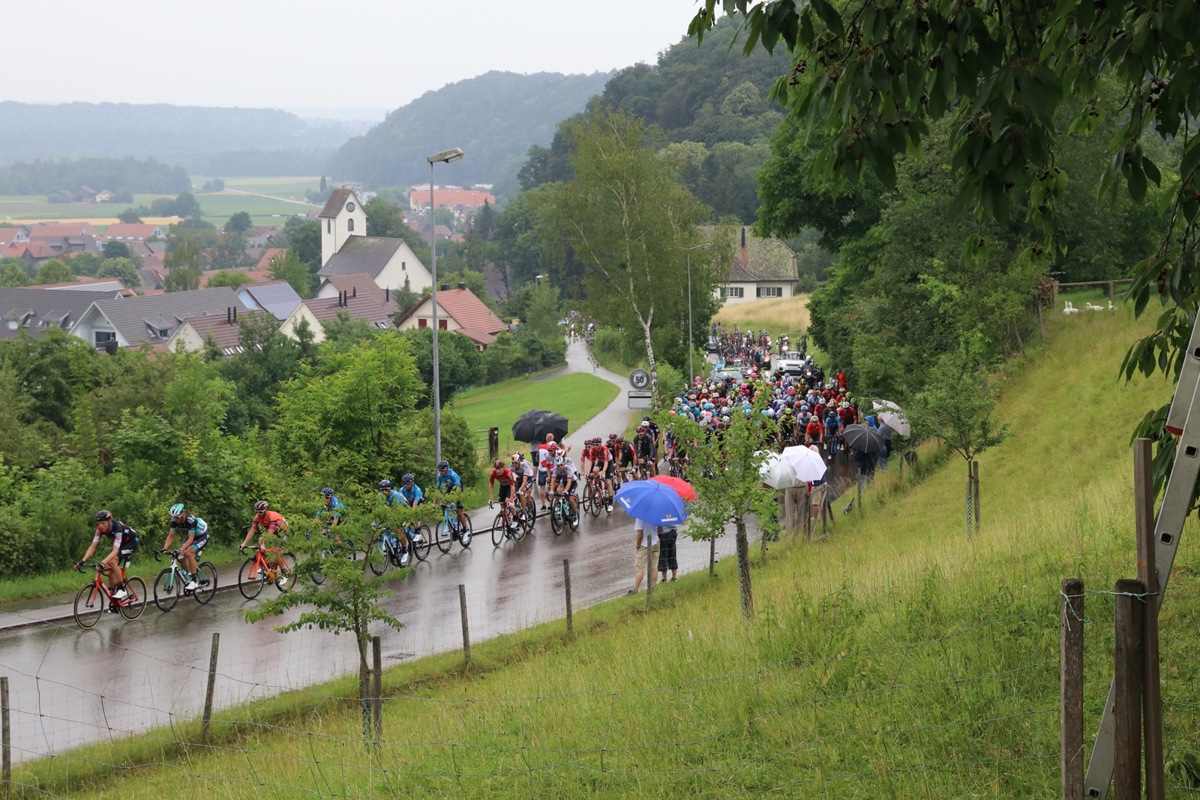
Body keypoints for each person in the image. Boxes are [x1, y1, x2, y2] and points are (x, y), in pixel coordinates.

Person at [75, 510, 139, 600]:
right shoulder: (99, 529)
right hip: (121, 544)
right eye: (99, 523)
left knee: (112, 561)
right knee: (109, 572)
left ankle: (122, 589)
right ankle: (115, 601)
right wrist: (82, 560)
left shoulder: (117, 528)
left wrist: (103, 562)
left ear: (109, 521)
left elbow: (115, 550)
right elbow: (93, 546)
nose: (101, 526)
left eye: (103, 523)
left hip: (131, 543)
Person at [161, 503, 209, 592]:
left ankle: (194, 581)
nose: (175, 520)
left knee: (189, 553)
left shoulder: (190, 520)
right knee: (180, 556)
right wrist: (165, 548)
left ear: (183, 515)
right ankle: (188, 574)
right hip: (192, 536)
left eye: (177, 518)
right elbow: (170, 536)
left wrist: (180, 549)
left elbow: (190, 539)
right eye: (173, 517)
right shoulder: (174, 521)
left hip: (202, 536)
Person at [434, 460, 470, 531]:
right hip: (450, 487)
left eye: (442, 471)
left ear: (447, 469)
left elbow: (457, 489)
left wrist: (454, 500)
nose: (441, 472)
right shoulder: (440, 476)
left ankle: (465, 529)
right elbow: (437, 489)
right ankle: (448, 522)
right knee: (443, 504)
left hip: (458, 488)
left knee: (459, 511)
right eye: (440, 471)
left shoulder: (452, 475)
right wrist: (434, 501)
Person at [629, 518, 660, 594]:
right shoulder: (656, 514)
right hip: (656, 542)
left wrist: (638, 545)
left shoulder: (640, 517)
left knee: (640, 568)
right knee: (654, 566)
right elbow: (660, 530)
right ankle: (652, 588)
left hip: (644, 544)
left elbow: (640, 534)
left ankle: (635, 590)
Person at [487, 459, 518, 528]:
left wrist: (511, 499)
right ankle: (508, 518)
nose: (498, 471)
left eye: (499, 469)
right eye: (496, 469)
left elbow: (512, 487)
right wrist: (491, 498)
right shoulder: (493, 473)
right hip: (503, 486)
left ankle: (515, 519)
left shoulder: (508, 472)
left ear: (503, 468)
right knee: (501, 502)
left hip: (511, 485)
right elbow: (491, 486)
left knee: (508, 501)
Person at [549, 456, 579, 521]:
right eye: (558, 466)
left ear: (564, 463)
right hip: (564, 481)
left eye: (561, 465)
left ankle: (575, 515)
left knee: (571, 499)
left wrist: (565, 491)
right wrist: (551, 490)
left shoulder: (568, 469)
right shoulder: (555, 470)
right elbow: (553, 480)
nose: (560, 467)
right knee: (558, 490)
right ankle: (561, 505)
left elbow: (569, 482)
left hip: (572, 482)